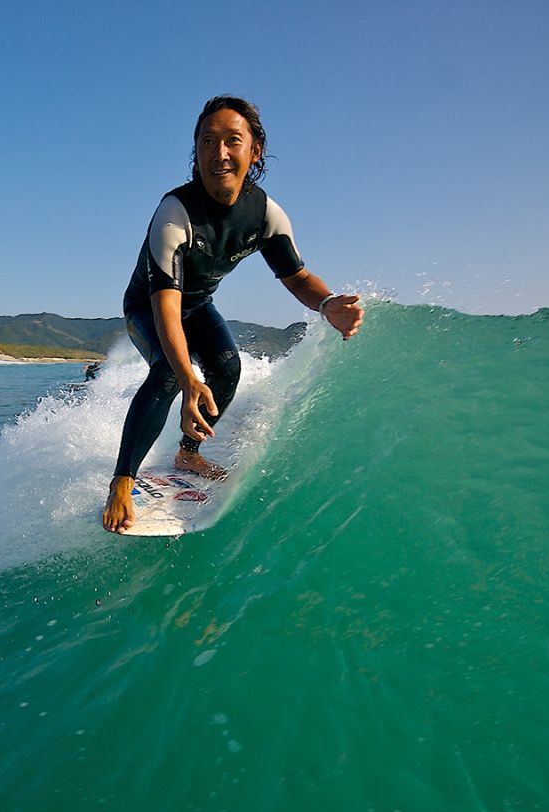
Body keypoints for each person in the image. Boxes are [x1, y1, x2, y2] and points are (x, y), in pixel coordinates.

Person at [102, 95, 364, 534]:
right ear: (196, 150)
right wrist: (188, 380)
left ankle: (188, 452)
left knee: (227, 367)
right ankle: (122, 480)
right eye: (207, 142)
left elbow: (297, 277)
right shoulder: (175, 213)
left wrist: (325, 303)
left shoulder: (265, 214)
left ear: (254, 150)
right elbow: (166, 305)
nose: (218, 152)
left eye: (231, 141)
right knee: (169, 370)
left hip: (199, 304)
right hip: (149, 306)